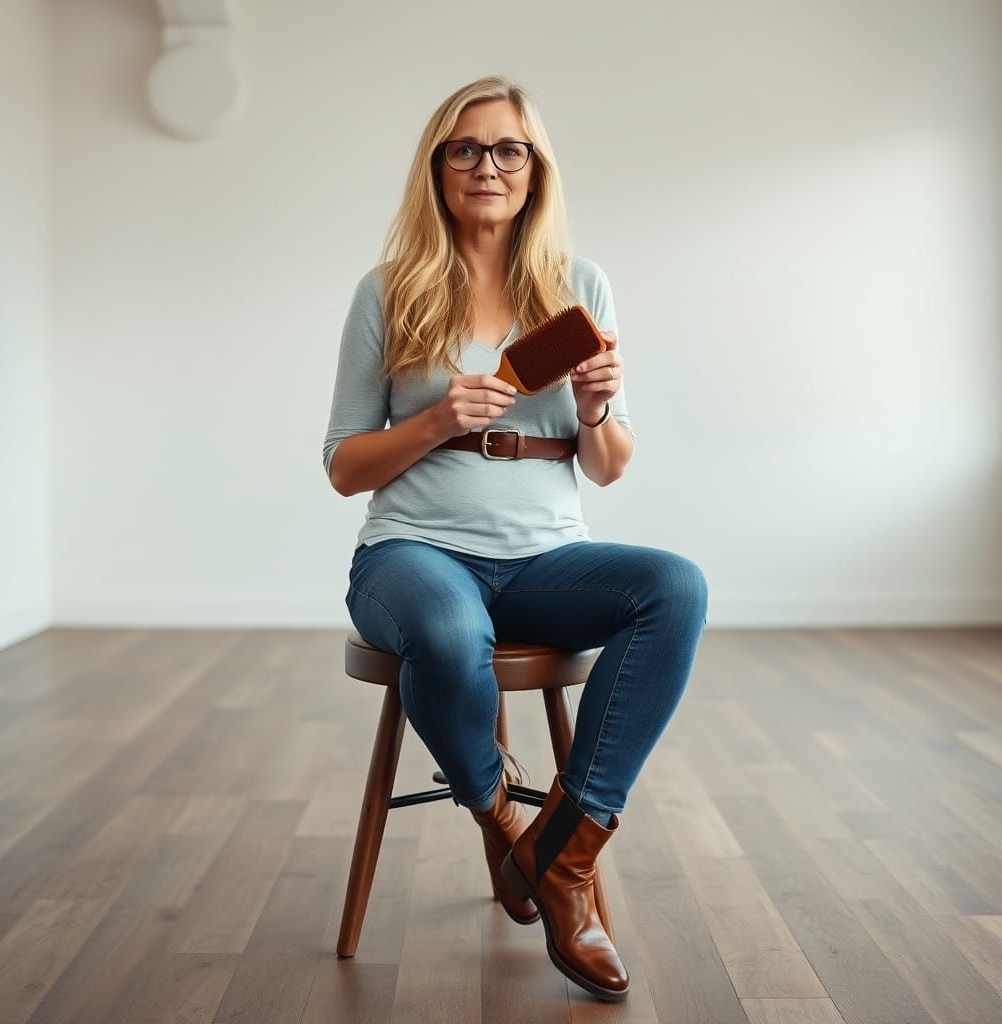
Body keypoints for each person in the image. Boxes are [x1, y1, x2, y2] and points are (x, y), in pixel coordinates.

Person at [323, 74, 708, 1003]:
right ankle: (506, 823)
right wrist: (438, 420)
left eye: (507, 150)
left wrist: (596, 405)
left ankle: (565, 851)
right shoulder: (388, 292)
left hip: (544, 557)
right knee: (451, 633)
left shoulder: (577, 286)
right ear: (437, 167)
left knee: (676, 586)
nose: (486, 166)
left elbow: (607, 466)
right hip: (412, 553)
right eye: (464, 149)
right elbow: (343, 466)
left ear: (536, 170)